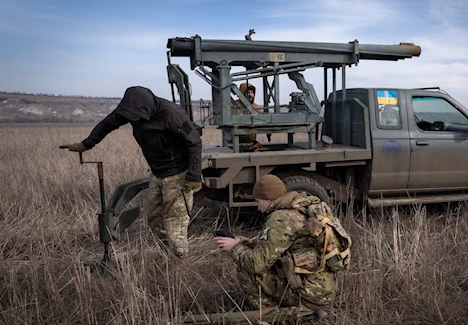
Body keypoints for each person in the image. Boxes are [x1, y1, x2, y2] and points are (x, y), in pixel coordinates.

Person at [59, 86, 202, 258]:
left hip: (178, 175)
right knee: (154, 220)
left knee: (175, 223)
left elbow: (194, 142)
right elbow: (107, 124)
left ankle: (178, 265)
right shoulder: (129, 110)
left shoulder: (172, 114)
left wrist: (194, 176)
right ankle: (168, 255)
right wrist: (86, 144)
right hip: (157, 174)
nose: (136, 121)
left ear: (147, 108)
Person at [214, 175, 342, 311]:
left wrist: (234, 248)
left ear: (268, 198)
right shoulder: (299, 208)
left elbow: (256, 264)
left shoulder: (280, 219)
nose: (258, 207)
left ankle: (272, 317)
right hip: (323, 289)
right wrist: (251, 242)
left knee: (246, 270)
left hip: (308, 295)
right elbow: (286, 240)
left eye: (258, 201)